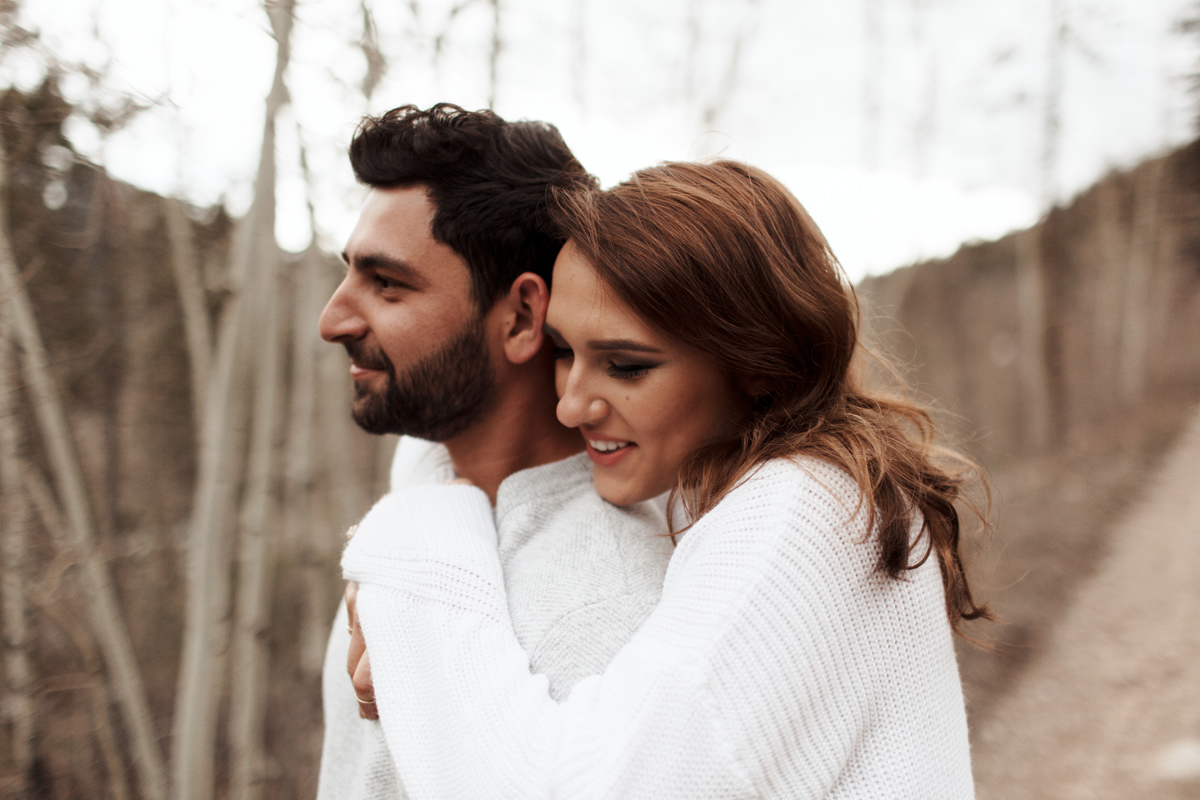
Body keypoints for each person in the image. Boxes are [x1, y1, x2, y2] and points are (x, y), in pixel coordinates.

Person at [342, 160, 989, 798]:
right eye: (565, 352)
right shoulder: (803, 485)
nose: (571, 405)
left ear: (756, 365)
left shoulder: (806, 516)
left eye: (625, 366)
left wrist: (417, 546)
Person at [315, 104, 673, 800]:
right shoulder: (432, 472)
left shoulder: (610, 613)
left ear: (520, 316)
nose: (334, 320)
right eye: (348, 274)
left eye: (386, 284)